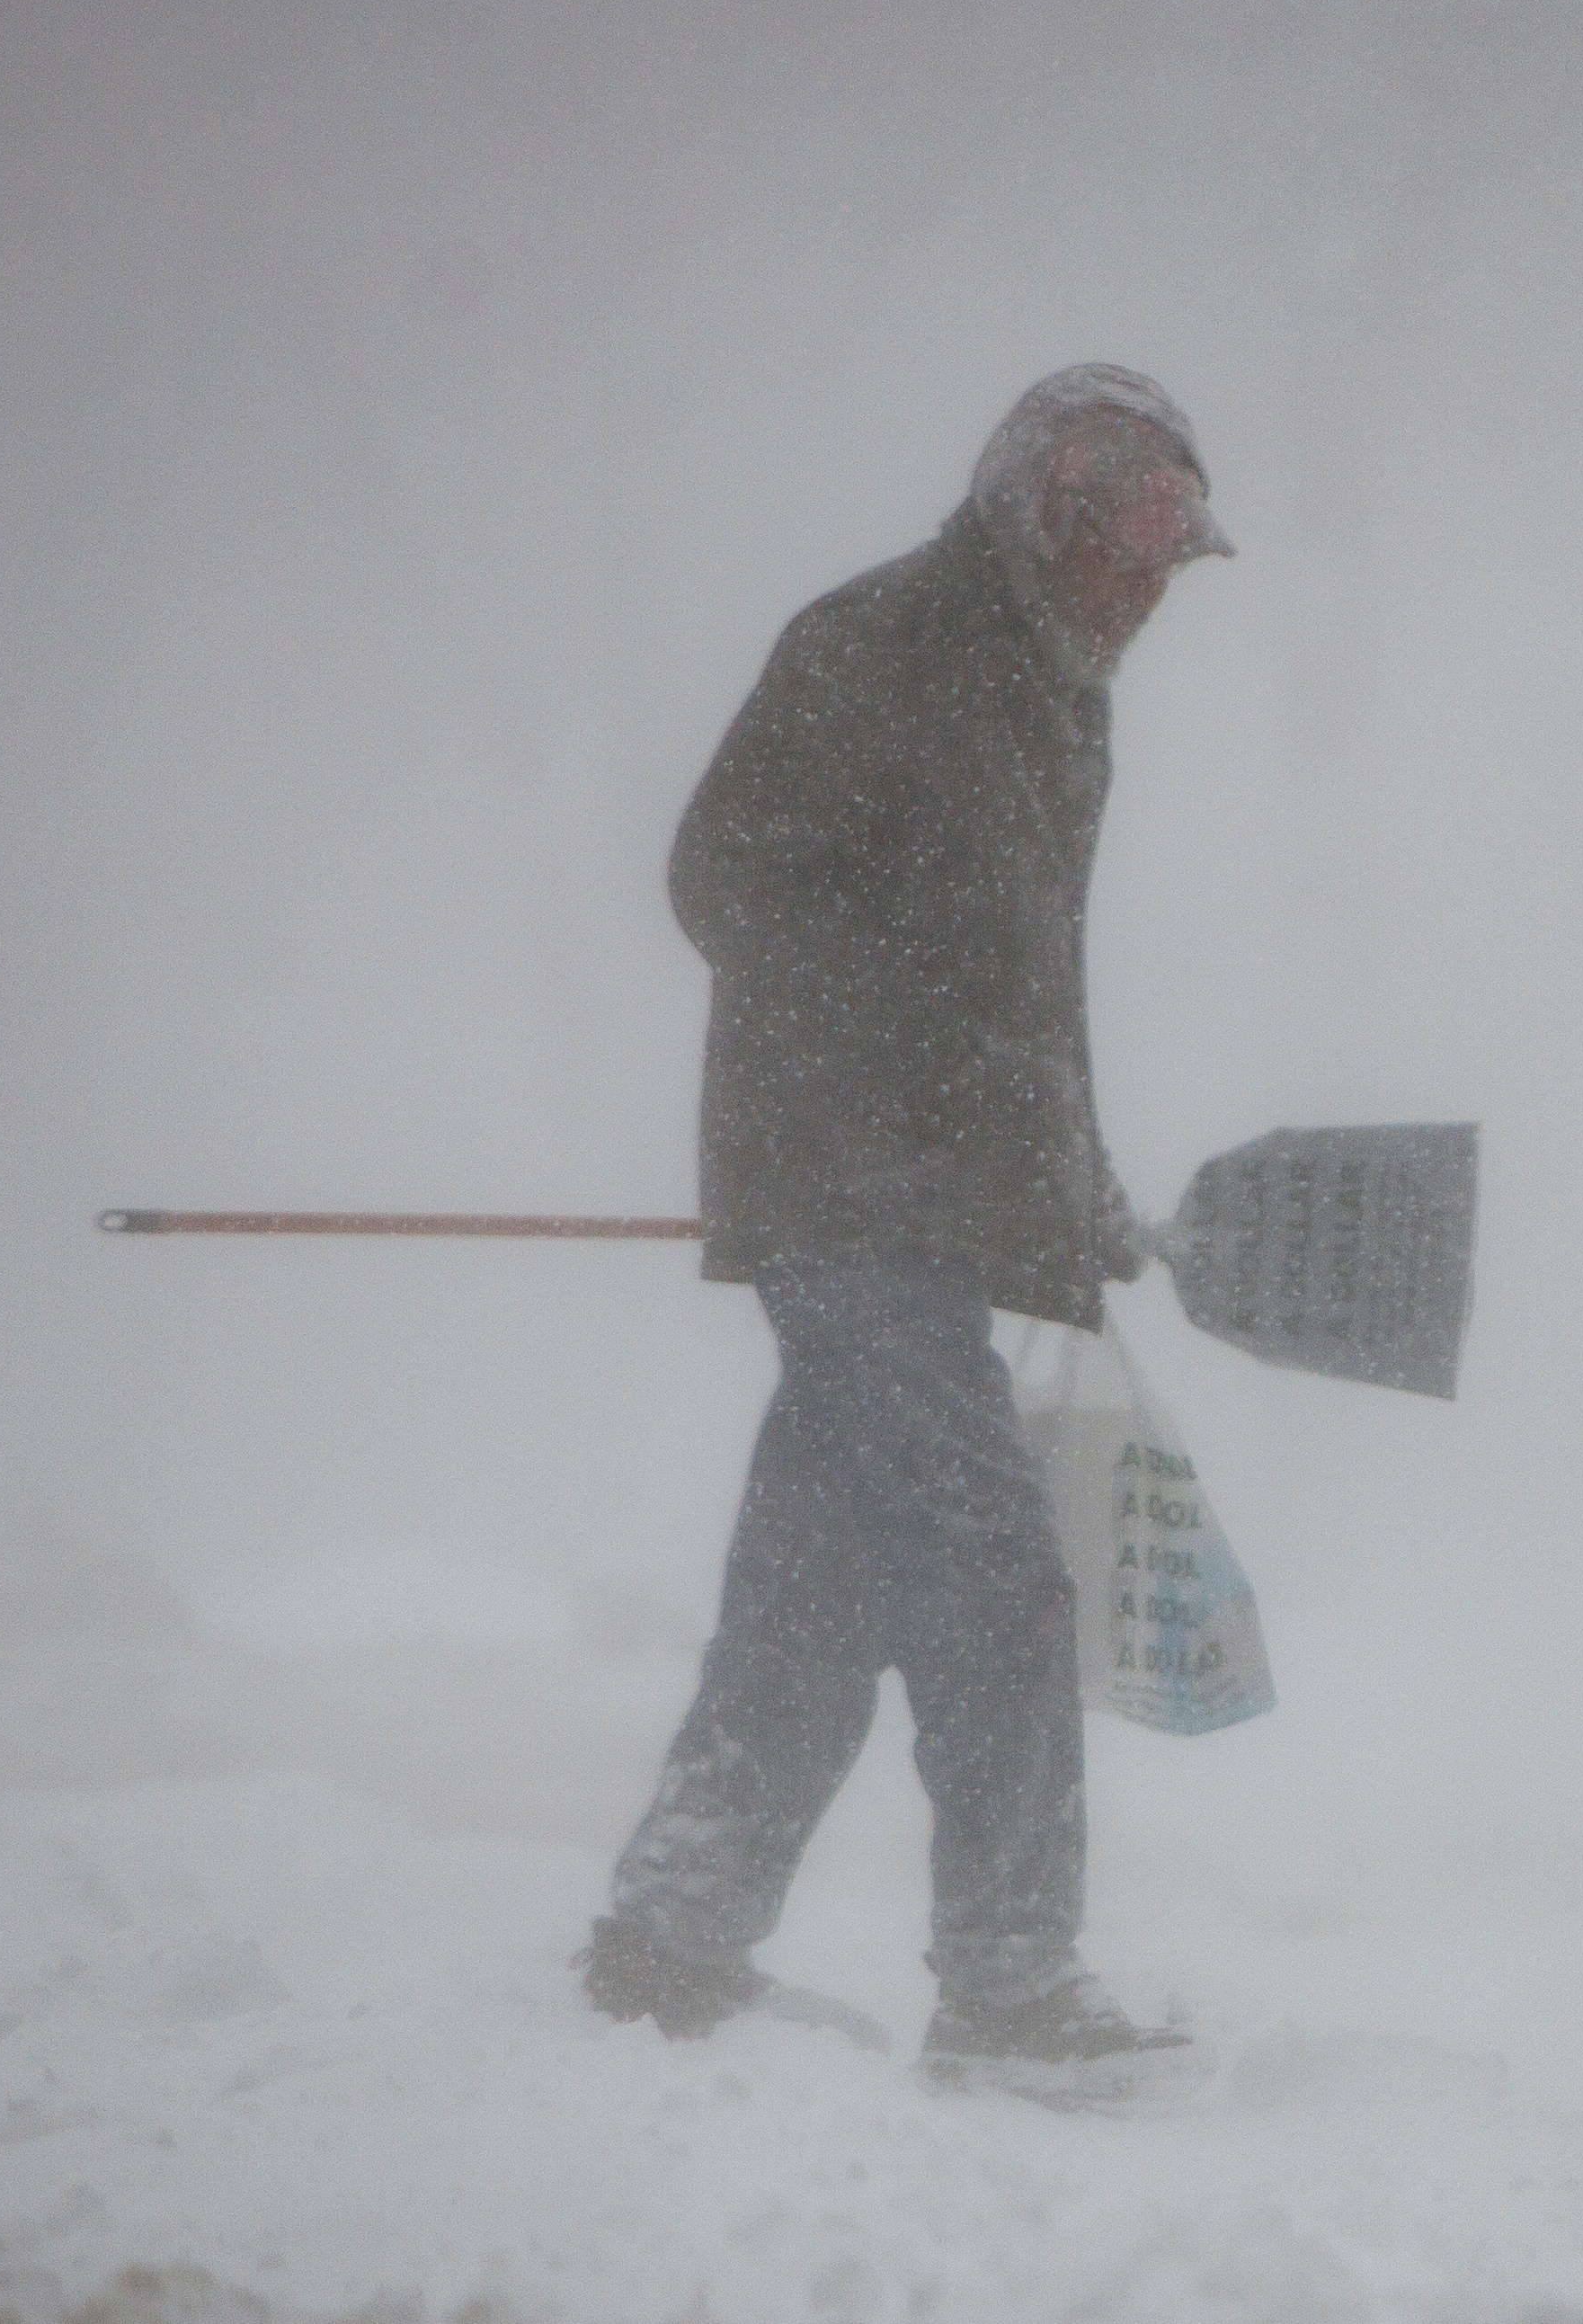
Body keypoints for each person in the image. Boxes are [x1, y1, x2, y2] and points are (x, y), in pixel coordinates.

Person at [579, 367, 1233, 2106]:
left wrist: (1074, 1181)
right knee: (992, 1571)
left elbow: (1023, 993)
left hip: (939, 1207)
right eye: (1128, 562)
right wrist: (895, 1047)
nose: (1148, 600)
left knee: (818, 1588)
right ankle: (1011, 1983)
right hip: (847, 1195)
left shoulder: (1053, 694)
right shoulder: (879, 644)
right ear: (1046, 518)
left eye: (1170, 572)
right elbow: (721, 872)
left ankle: (670, 1936)